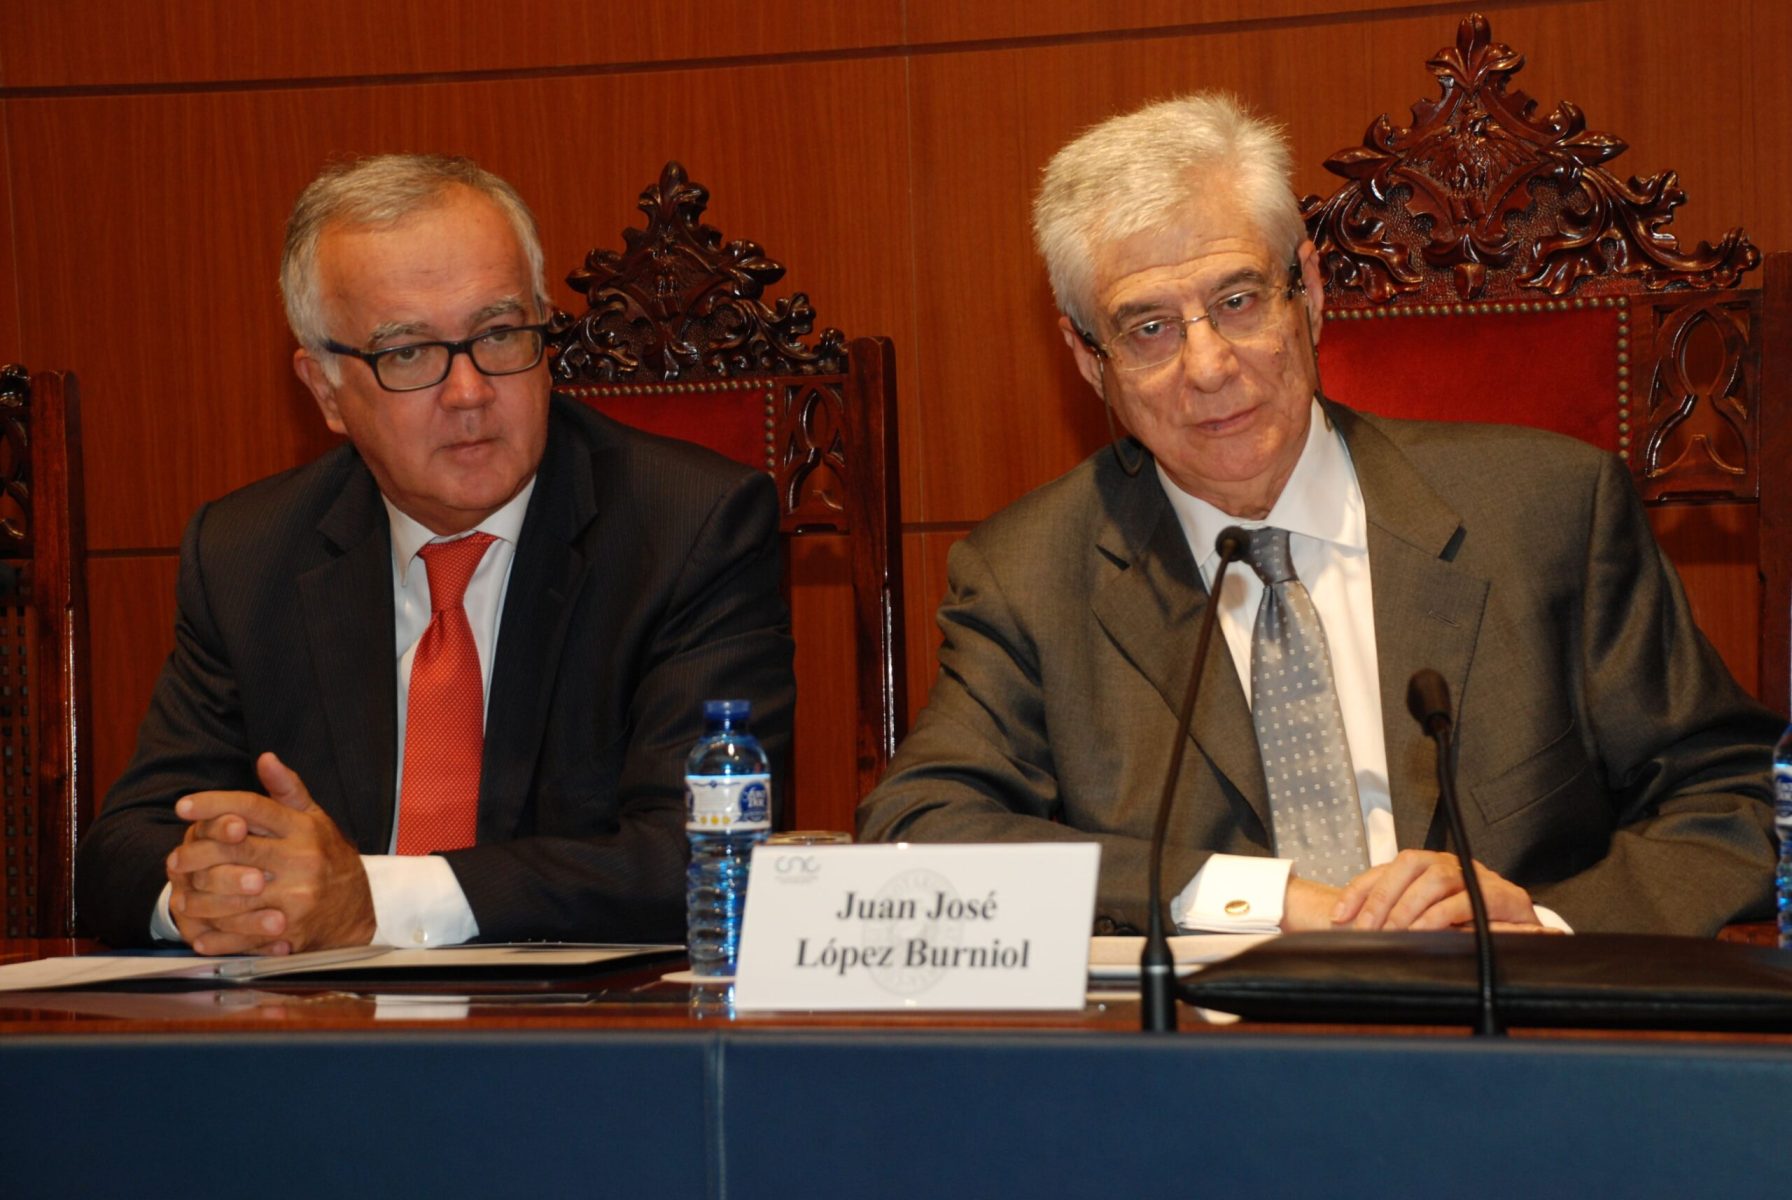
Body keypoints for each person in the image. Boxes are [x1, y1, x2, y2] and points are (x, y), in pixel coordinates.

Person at [856, 93, 1777, 937]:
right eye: (1149, 328)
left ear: (1311, 291)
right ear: (1089, 360)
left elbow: (1737, 801)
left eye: (1237, 301)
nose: (1208, 367)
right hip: (1208, 1053)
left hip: (1512, 1038)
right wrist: (1251, 898)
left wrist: (1541, 926)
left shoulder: (1548, 512)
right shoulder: (1029, 576)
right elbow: (920, 829)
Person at [76, 154, 795, 953]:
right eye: (409, 352)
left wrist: (371, 902)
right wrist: (225, 895)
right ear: (325, 391)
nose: (469, 391)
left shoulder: (688, 528)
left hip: (572, 1018)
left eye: (499, 334)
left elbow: (699, 852)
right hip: (312, 1018)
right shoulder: (247, 554)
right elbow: (125, 850)